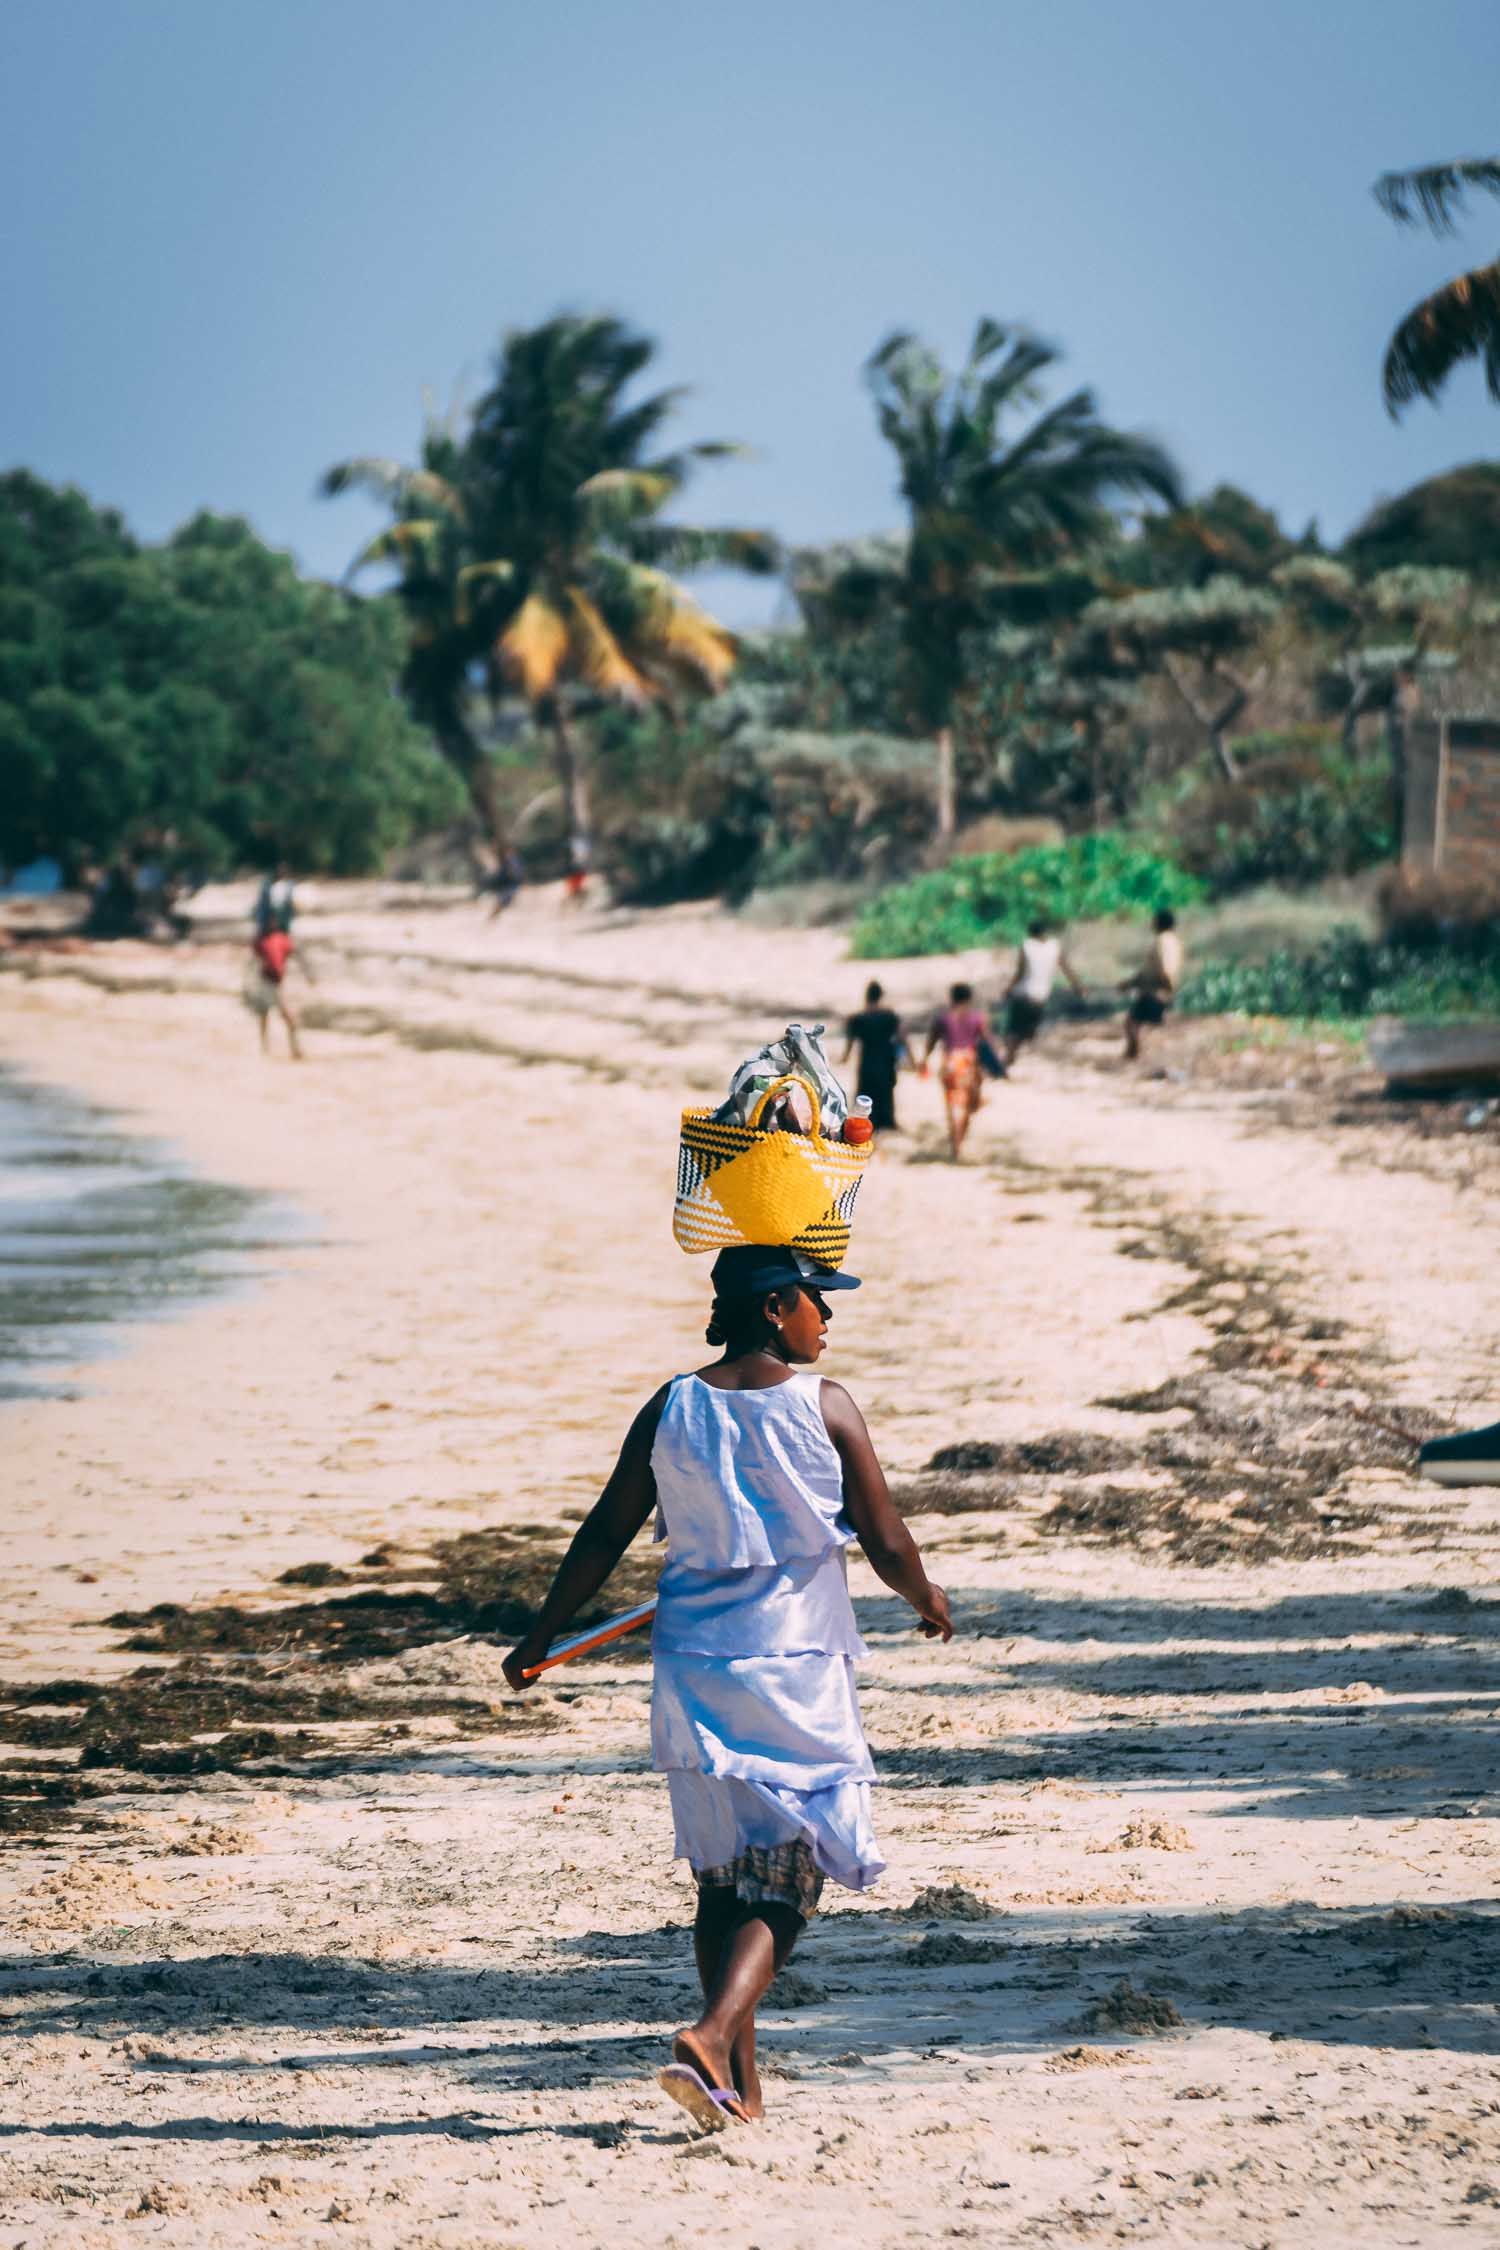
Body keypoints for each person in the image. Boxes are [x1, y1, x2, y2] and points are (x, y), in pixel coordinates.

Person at [502, 1244, 951, 2132]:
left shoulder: (672, 1405)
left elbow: (605, 1532)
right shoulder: (825, 1406)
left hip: (696, 1668)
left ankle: (737, 2089)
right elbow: (887, 1538)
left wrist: (542, 1631)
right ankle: (710, 2036)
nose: (830, 1317)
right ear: (779, 1306)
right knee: (790, 1876)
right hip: (793, 1667)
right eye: (820, 1301)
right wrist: (927, 1597)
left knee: (724, 1880)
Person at [1000, 917, 1083, 1071]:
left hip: (1023, 994)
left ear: (1030, 933)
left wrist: (1008, 989)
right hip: (1040, 998)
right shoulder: (1055, 946)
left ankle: (1008, 1056)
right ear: (1045, 932)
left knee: (1013, 1029)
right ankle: (1009, 1056)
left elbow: (1020, 972)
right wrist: (1078, 986)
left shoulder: (1027, 946)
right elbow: (1067, 968)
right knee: (1027, 1031)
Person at [923, 981, 990, 1160]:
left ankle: (955, 1144)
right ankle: (959, 1140)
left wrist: (924, 1060)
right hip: (969, 1062)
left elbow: (931, 1042)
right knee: (969, 1105)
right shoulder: (977, 1018)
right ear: (969, 998)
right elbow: (987, 1043)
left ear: (952, 998)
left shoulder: (943, 1019)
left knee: (952, 1104)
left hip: (950, 1062)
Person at [842, 981, 912, 1131]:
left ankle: (866, 1124)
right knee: (886, 1092)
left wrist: (845, 1058)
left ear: (867, 996)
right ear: (881, 996)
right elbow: (903, 1037)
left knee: (866, 1092)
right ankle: (887, 1121)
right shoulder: (890, 1016)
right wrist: (912, 1060)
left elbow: (850, 1043)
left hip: (867, 1060)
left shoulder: (857, 1019)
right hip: (886, 1059)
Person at [1122, 908, 1183, 1061]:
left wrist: (1167, 986)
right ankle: (1134, 1054)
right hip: (1156, 988)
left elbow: (1165, 967)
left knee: (1132, 1022)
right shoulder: (1174, 940)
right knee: (1136, 1022)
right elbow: (1149, 970)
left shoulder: (1162, 941)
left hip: (1156, 990)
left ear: (1159, 923)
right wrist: (1130, 983)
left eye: (1154, 921)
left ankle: (1133, 1055)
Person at [245, 922, 304, 1059]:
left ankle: (266, 1048)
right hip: (270, 982)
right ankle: (293, 1049)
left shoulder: (265, 941)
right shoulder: (280, 940)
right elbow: (295, 955)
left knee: (265, 1015)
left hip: (266, 981)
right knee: (284, 1017)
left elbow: (255, 959)